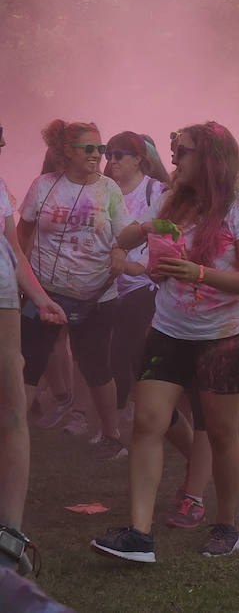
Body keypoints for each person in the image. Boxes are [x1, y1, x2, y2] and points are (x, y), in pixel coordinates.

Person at [92, 122, 239, 562]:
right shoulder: (178, 203)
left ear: (210, 158)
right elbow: (150, 249)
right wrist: (157, 263)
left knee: (223, 433)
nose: (174, 159)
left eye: (183, 152)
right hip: (169, 329)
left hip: (223, 338)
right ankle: (139, 534)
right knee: (148, 421)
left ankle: (226, 526)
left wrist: (202, 274)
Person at [19, 120, 132, 461]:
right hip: (44, 293)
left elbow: (125, 235)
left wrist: (118, 251)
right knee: (29, 363)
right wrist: (22, 281)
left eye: (100, 149)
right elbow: (21, 236)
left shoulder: (109, 190)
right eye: (89, 148)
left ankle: (112, 436)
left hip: (95, 296)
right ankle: (14, 435)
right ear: (66, 152)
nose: (98, 155)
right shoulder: (43, 186)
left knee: (95, 367)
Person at [0, 118, 68, 576]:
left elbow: (13, 250)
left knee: (11, 408)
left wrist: (42, 299)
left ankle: (9, 535)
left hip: (1, 296)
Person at [104, 132, 171, 416]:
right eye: (108, 154)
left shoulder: (155, 191)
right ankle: (131, 404)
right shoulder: (105, 189)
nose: (111, 160)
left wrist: (140, 266)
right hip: (110, 284)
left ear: (139, 159)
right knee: (119, 351)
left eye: (118, 155)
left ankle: (127, 410)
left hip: (144, 284)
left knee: (124, 351)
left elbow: (166, 234)